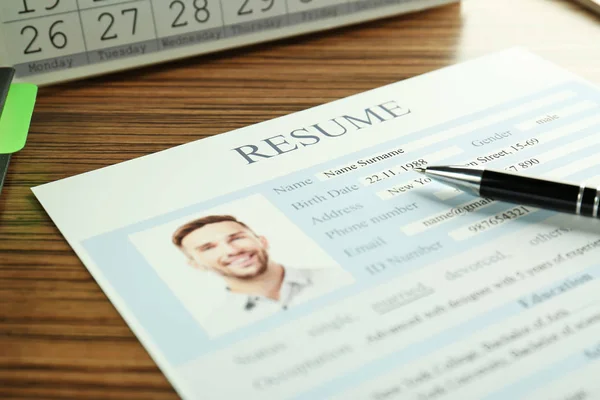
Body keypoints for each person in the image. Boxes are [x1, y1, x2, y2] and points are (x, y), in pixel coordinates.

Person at [172, 214, 353, 336]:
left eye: (236, 238)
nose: (232, 250)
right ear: (196, 265)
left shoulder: (341, 276)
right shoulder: (219, 326)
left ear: (262, 241)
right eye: (208, 248)